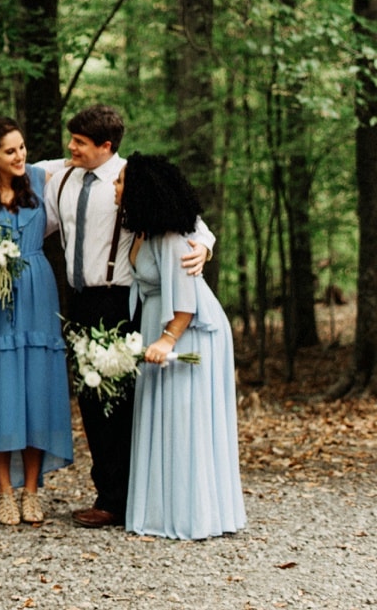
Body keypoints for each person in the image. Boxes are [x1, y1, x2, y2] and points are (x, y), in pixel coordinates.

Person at [36, 104, 214, 529]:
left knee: (120, 401)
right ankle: (112, 490)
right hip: (78, 299)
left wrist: (205, 244)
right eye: (72, 140)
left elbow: (186, 218)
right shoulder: (60, 178)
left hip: (120, 300)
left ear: (106, 146)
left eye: (79, 142)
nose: (71, 147)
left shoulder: (130, 178)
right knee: (92, 400)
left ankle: (119, 498)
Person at [0, 118, 72, 526]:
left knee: (36, 386)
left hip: (37, 290)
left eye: (22, 148)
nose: (20, 156)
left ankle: (32, 491)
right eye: (10, 151)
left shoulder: (42, 179)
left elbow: (97, 163)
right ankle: (5, 492)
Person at [121, 154, 245, 540]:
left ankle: (193, 514)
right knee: (165, 413)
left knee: (184, 416)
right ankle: (162, 507)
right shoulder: (143, 230)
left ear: (141, 190)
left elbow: (186, 302)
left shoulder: (171, 237)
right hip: (160, 324)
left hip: (187, 329)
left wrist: (167, 339)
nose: (115, 186)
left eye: (121, 181)